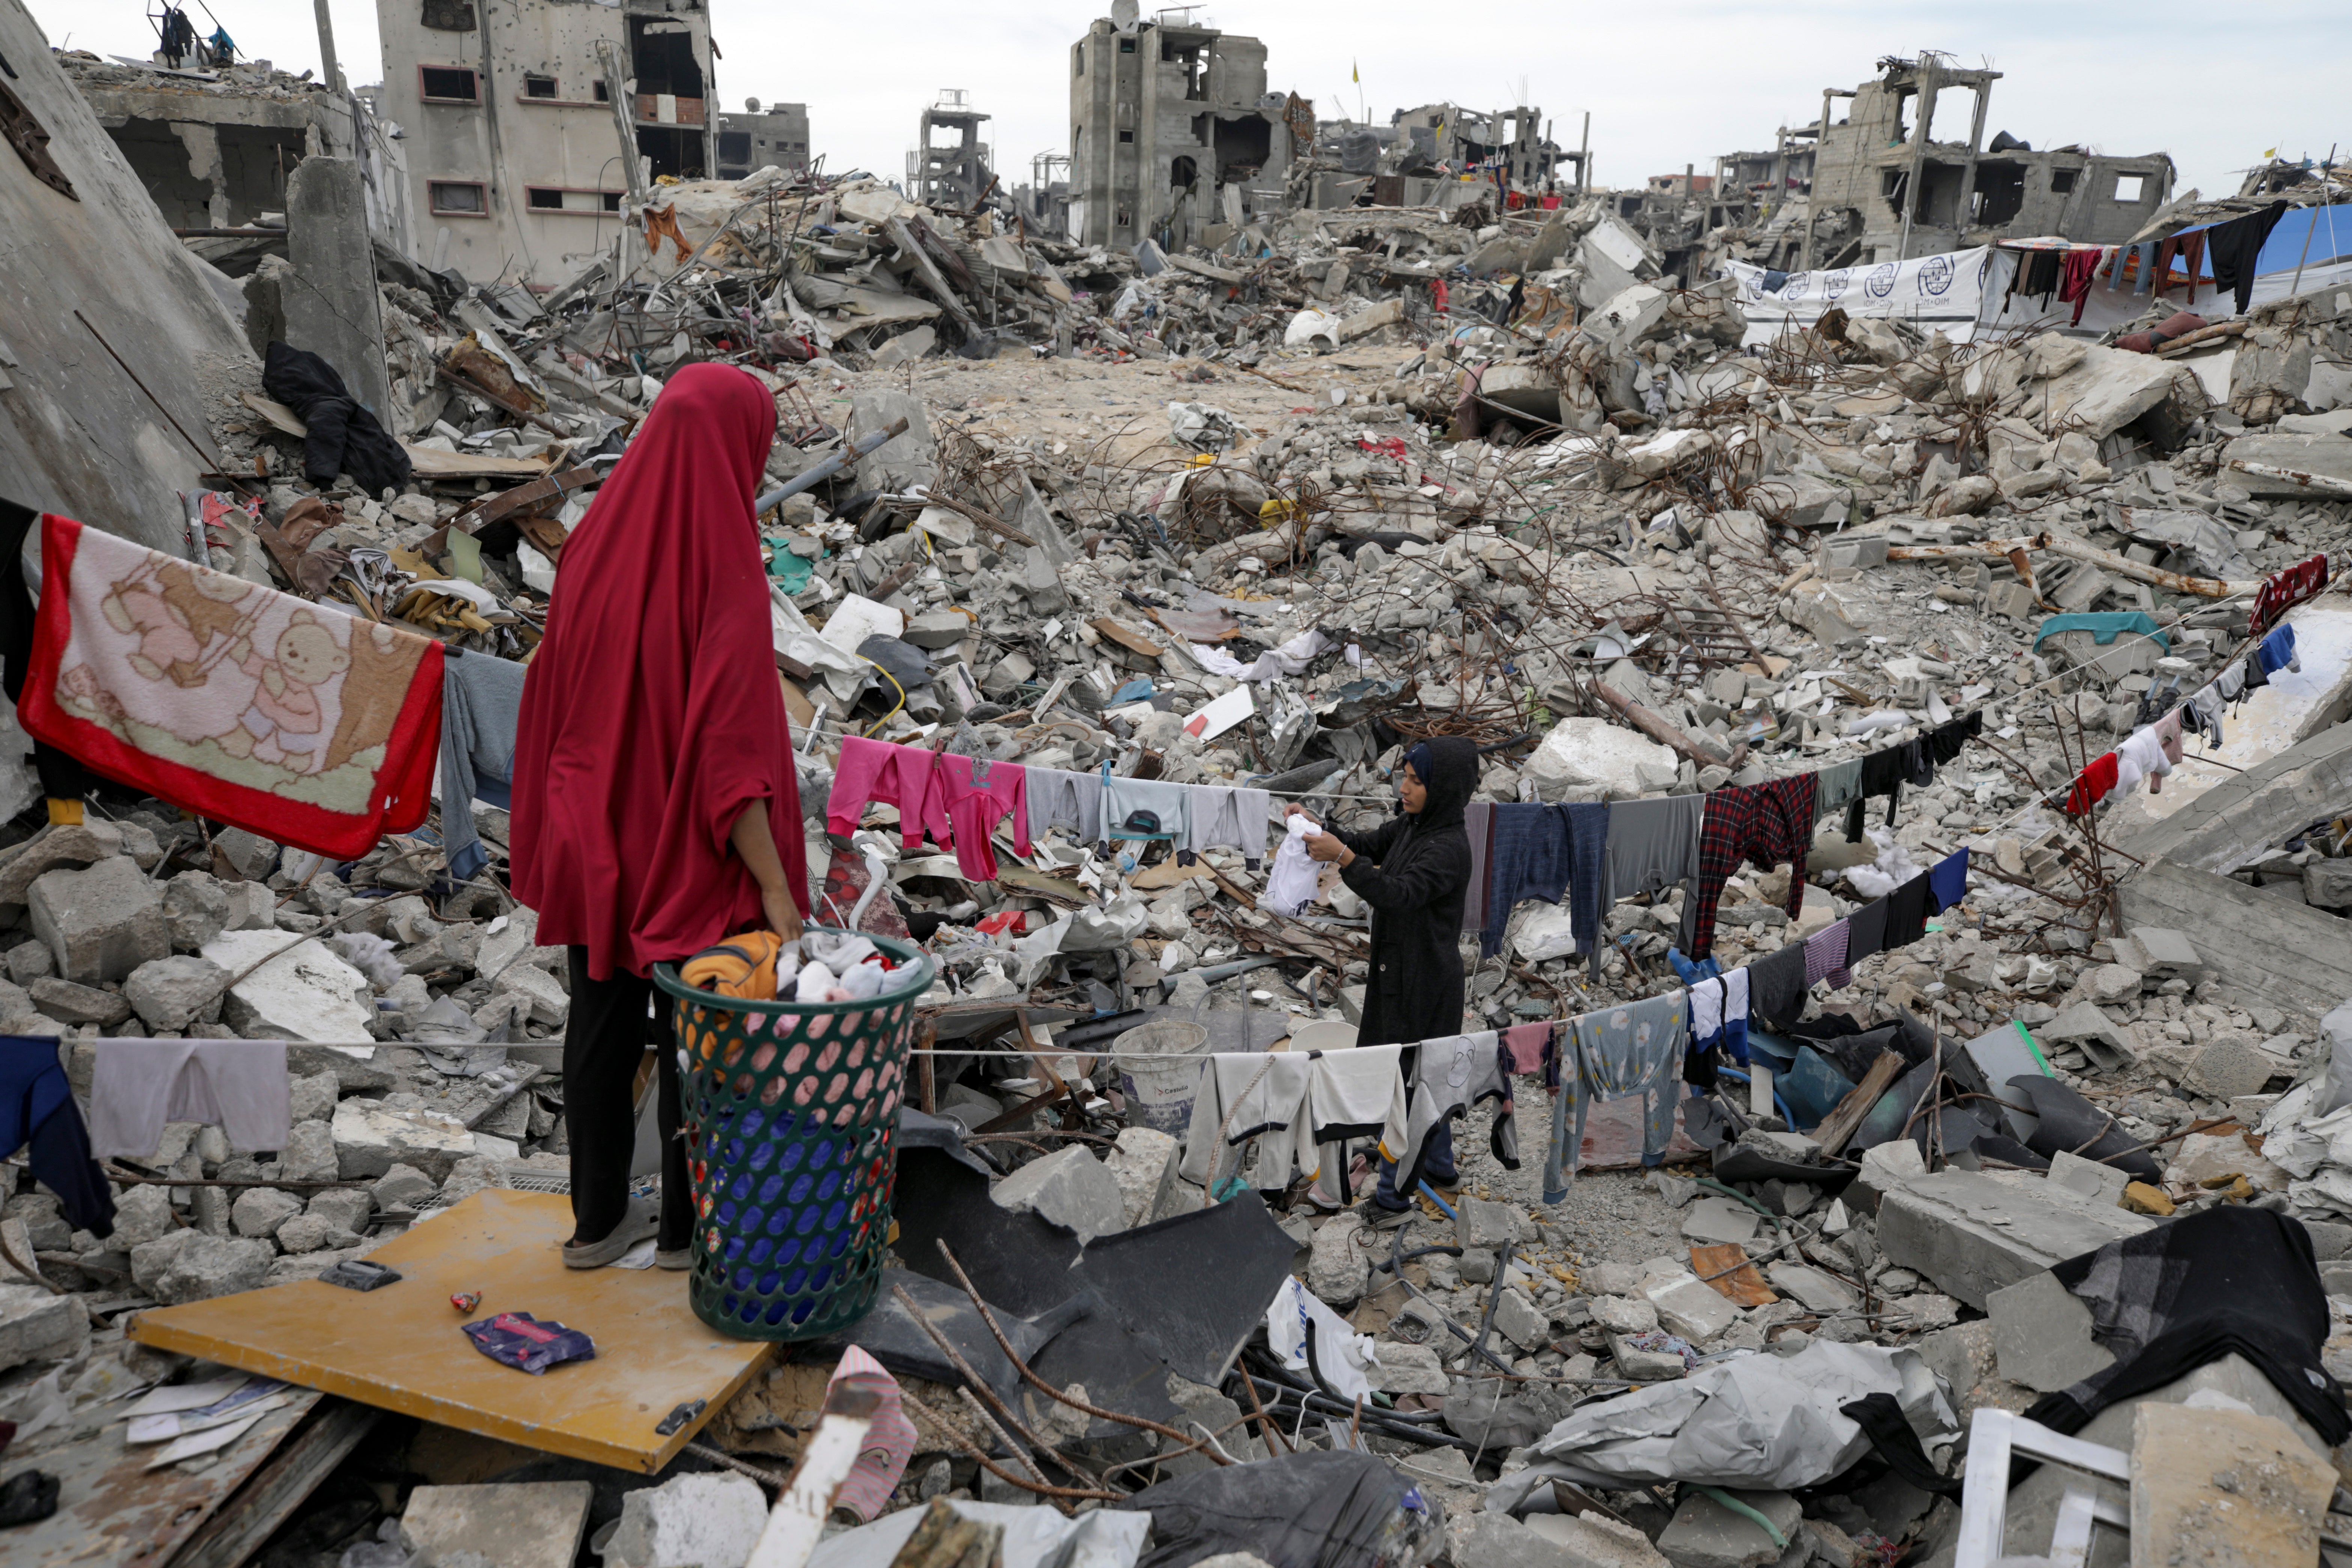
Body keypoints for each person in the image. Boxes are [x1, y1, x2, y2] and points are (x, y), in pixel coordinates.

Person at [509, 365, 810, 1270]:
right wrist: (772, 886)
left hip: (596, 835)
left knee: (598, 1026)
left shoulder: (594, 541)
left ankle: (595, 1226)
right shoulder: (718, 556)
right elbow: (731, 758)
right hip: (685, 850)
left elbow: (551, 692)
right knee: (699, 1034)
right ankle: (685, 1235)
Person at [1286, 735, 1480, 1226]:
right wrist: (1319, 829)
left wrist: (1344, 861)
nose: (1404, 788)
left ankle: (1394, 1200)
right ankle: (1438, 1166)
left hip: (1426, 983)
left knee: (1409, 1089)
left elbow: (1398, 893)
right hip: (1397, 972)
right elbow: (1369, 843)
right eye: (1405, 777)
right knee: (1418, 1078)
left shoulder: (1448, 848)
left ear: (1444, 789)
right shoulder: (1414, 826)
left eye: (1416, 781)